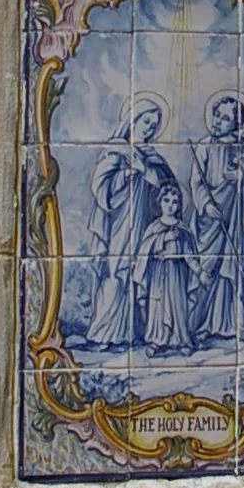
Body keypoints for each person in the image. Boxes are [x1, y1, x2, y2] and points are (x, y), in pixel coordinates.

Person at [84, 98, 179, 349]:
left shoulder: (153, 157)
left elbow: (169, 188)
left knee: (140, 270)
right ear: (132, 120)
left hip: (145, 224)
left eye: (154, 125)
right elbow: (101, 188)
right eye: (146, 121)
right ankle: (105, 333)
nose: (149, 128)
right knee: (116, 270)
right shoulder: (116, 150)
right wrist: (129, 172)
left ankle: (137, 330)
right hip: (118, 222)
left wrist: (145, 170)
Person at [190, 92, 244, 343]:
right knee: (210, 269)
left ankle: (238, 322)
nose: (217, 121)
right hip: (212, 220)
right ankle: (205, 323)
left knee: (236, 268)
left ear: (237, 123)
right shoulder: (204, 146)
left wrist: (243, 176)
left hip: (239, 218)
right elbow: (196, 182)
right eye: (217, 115)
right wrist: (206, 205)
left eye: (225, 118)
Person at [134, 177, 198, 353]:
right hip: (158, 273)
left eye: (175, 202)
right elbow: (144, 250)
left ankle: (181, 340)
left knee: (178, 306)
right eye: (167, 200)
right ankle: (156, 340)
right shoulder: (153, 228)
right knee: (158, 306)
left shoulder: (183, 229)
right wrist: (163, 238)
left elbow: (190, 255)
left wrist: (199, 271)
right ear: (159, 202)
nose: (171, 205)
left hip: (177, 274)